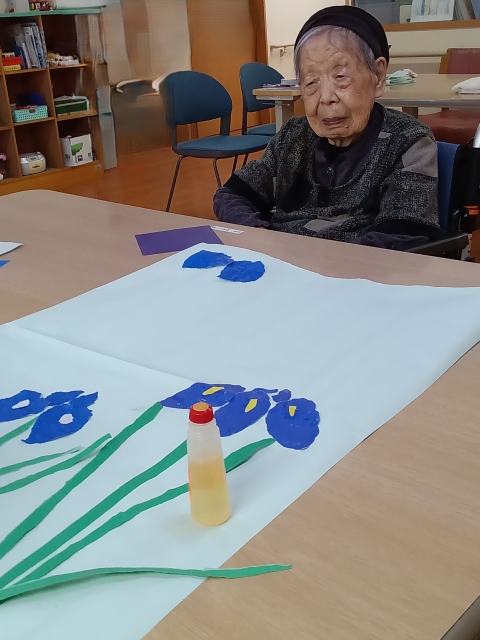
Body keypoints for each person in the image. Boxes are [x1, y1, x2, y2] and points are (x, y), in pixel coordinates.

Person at [213, 6, 440, 250]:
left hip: (356, 268)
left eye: (341, 77)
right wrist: (261, 238)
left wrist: (314, 261)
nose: (326, 97)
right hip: (279, 261)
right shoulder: (293, 136)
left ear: (379, 76)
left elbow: (402, 235)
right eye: (311, 82)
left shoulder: (408, 143)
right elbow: (231, 195)